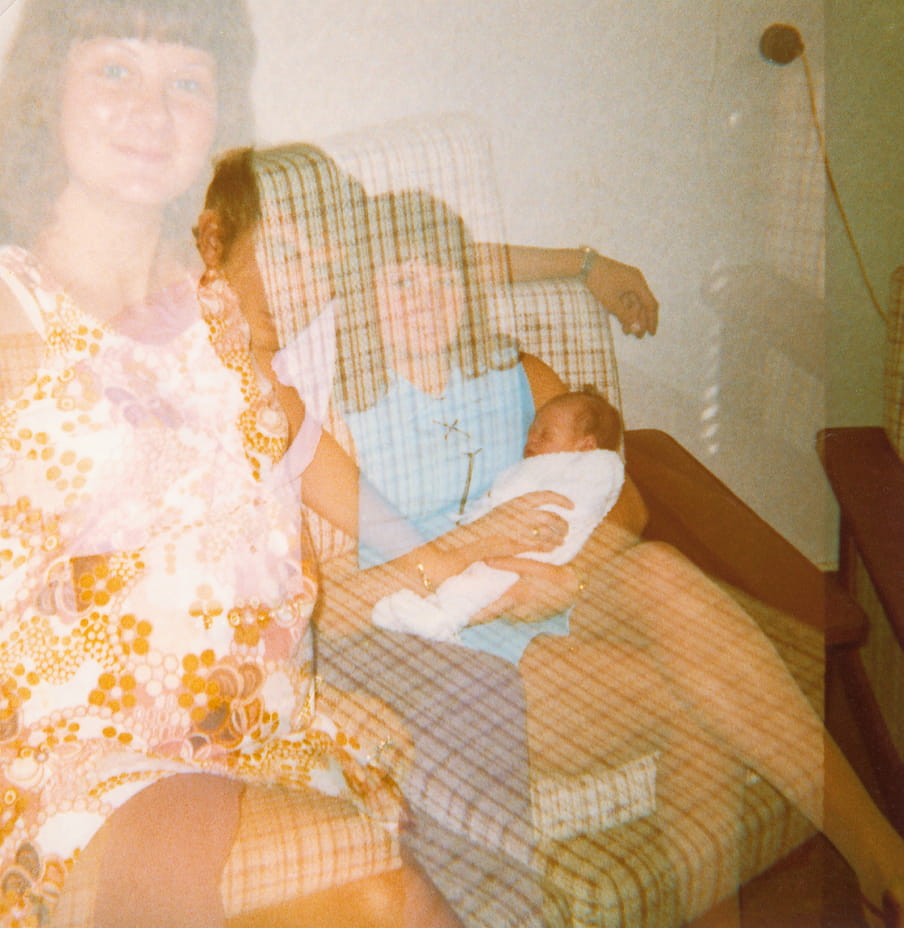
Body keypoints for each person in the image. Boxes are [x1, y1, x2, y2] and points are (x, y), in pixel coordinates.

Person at [195, 153, 904, 927]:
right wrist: (481, 559)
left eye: (439, 277)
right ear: (361, 294)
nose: (422, 296)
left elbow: (620, 501)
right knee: (709, 700)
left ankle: (876, 852)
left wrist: (559, 581)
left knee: (663, 573)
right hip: (452, 635)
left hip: (560, 590)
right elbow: (334, 586)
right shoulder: (325, 397)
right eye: (394, 282)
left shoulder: (502, 365)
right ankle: (860, 865)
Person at [0, 2, 471, 925]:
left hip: (266, 737)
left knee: (366, 884)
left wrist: (436, 564)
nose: (154, 108)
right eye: (113, 70)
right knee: (372, 884)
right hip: (87, 759)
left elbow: (298, 441)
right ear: (44, 92)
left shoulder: (215, 314)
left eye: (187, 80)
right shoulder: (14, 314)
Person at [371, 390, 625, 646]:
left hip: (537, 549)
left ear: (586, 446)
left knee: (482, 584)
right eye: (531, 432)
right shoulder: (551, 465)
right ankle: (430, 613)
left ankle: (443, 619)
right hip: (494, 549)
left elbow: (579, 506)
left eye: (545, 435)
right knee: (477, 582)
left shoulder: (592, 468)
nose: (531, 440)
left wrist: (574, 576)